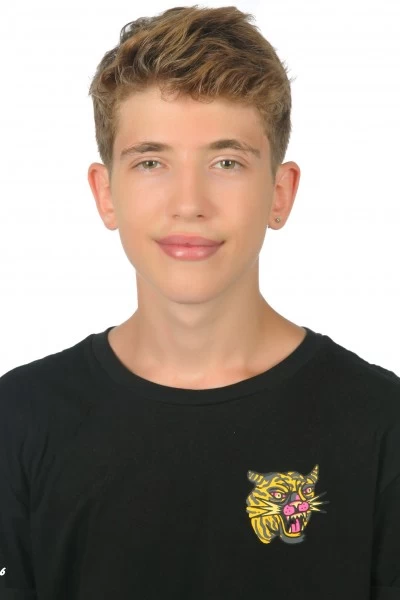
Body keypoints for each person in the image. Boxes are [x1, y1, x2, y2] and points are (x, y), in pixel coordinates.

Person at [0, 5, 399, 599]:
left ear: (280, 194)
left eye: (226, 162)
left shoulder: (381, 425)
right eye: (151, 162)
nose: (189, 203)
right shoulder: (20, 419)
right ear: (106, 194)